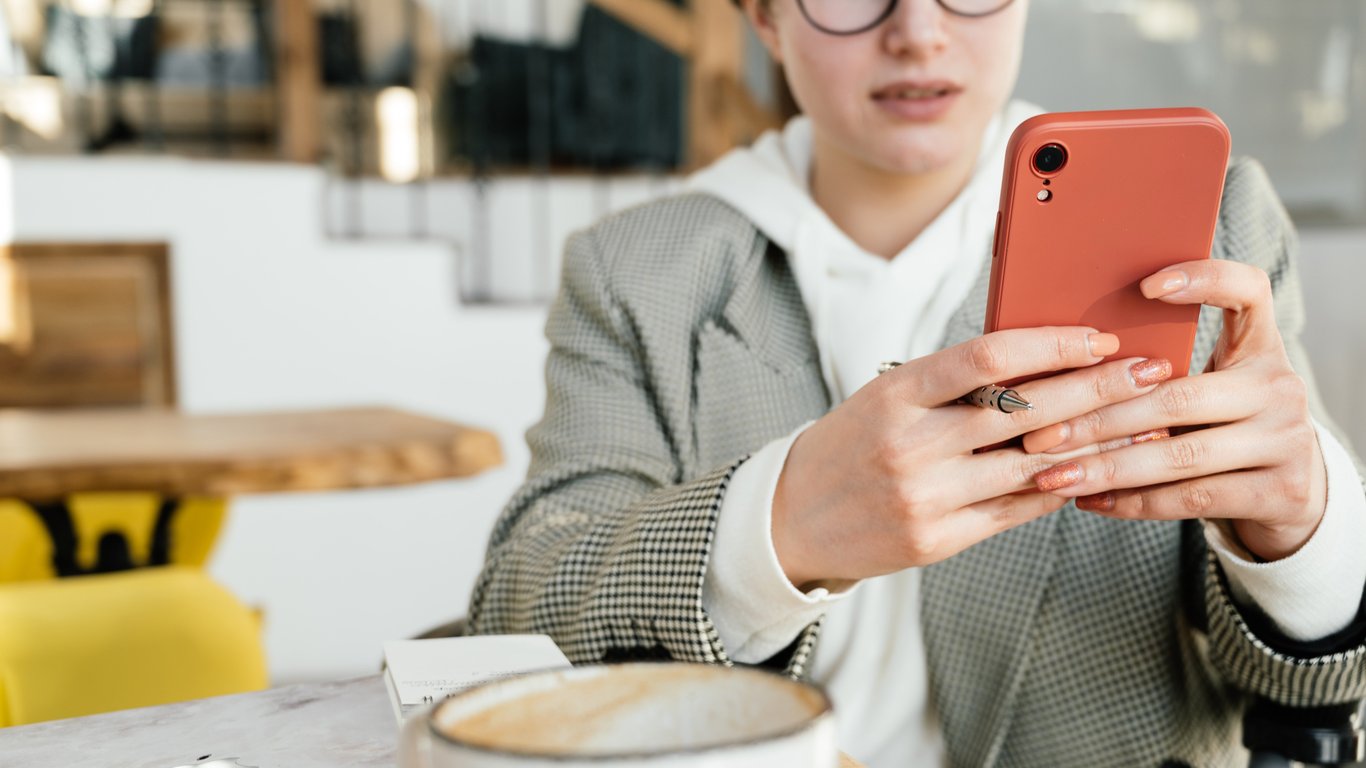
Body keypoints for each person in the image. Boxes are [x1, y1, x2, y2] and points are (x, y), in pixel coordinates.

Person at [467, 0, 1366, 764]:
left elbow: (1318, 683)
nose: (919, 32)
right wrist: (776, 528)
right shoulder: (636, 270)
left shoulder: (1207, 226)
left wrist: (1302, 535)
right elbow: (522, 606)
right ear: (765, 18)